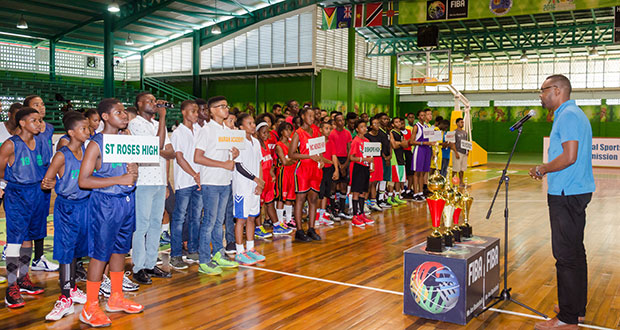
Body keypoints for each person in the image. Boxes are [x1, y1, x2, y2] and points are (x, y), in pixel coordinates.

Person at [530, 75, 595, 330]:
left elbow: (569, 157)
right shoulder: (574, 114)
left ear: (557, 91)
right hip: (575, 191)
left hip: (566, 193)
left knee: (566, 256)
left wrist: (543, 168)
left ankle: (567, 319)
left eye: (543, 90)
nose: (541, 95)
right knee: (576, 253)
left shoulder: (567, 116)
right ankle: (575, 308)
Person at [78, 98, 143, 327]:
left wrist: (134, 168)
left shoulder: (126, 140)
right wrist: (120, 178)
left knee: (120, 251)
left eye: (125, 112)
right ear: (105, 117)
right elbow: (83, 180)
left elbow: (130, 170)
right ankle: (90, 307)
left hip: (126, 201)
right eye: (118, 112)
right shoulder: (96, 144)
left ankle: (116, 298)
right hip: (105, 203)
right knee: (100, 255)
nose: (124, 116)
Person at [42, 112, 89, 320]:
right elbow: (47, 180)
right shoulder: (62, 155)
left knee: (79, 248)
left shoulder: (88, 151)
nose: (88, 131)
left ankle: (73, 289)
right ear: (71, 132)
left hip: (86, 205)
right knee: (67, 250)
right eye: (84, 128)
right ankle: (65, 298)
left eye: (88, 128)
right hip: (67, 207)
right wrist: (48, 184)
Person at [0, 108, 46, 308]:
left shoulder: (40, 142)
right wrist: (2, 185)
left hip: (37, 193)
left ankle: (23, 278)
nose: (38, 123)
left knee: (29, 238)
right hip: (17, 194)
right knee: (15, 240)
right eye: (34, 120)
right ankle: (11, 288)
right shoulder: (10, 145)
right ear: (22, 123)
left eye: (40, 120)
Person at [129, 93, 174, 285]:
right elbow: (156, 145)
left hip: (159, 180)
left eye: (155, 101)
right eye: (150, 101)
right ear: (139, 104)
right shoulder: (135, 124)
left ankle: (149, 263)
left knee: (156, 224)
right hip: (144, 181)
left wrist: (157, 149)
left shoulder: (157, 125)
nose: (154, 104)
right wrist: (163, 118)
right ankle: (137, 267)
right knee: (142, 226)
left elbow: (169, 152)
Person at [194, 96, 240, 275]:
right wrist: (222, 164)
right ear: (212, 111)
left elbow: (225, 156)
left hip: (224, 181)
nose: (226, 109)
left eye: (227, 106)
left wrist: (233, 154)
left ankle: (218, 254)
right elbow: (197, 157)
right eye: (221, 106)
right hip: (211, 182)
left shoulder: (225, 130)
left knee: (218, 222)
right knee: (209, 222)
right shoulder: (207, 130)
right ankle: (204, 260)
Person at [23, 95, 58, 272]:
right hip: (29, 179)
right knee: (26, 218)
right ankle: (21, 261)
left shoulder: (49, 128)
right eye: (36, 105)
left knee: (41, 217)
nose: (41, 107)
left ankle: (38, 257)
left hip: (45, 177)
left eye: (43, 104)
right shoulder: (23, 132)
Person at [169, 100, 202, 269]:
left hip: (199, 181)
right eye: (192, 111)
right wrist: (195, 174)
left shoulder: (200, 131)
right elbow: (180, 158)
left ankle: (193, 250)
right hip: (184, 182)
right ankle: (175, 255)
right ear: (183, 112)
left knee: (196, 218)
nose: (196, 114)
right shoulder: (178, 133)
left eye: (197, 111)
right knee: (179, 218)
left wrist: (200, 176)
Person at [231, 113, 266, 265]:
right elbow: (238, 166)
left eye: (253, 123)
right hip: (242, 186)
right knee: (241, 219)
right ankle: (240, 251)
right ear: (240, 127)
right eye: (249, 123)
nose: (253, 125)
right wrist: (255, 179)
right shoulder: (237, 140)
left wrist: (260, 182)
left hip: (254, 186)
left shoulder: (256, 142)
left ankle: (250, 248)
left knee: (252, 217)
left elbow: (259, 163)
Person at [289, 107, 322, 242]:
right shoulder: (298, 133)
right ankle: (299, 230)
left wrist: (321, 159)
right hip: (303, 168)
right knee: (300, 199)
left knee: (313, 199)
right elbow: (291, 154)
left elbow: (319, 149)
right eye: (309, 116)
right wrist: (309, 156)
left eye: (313, 116)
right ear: (302, 116)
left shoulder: (316, 130)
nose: (312, 118)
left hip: (315, 168)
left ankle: (311, 228)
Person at [256, 121, 292, 236]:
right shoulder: (256, 146)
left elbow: (270, 163)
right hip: (261, 179)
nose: (267, 135)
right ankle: (258, 227)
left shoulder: (266, 146)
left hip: (269, 179)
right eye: (264, 133)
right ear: (257, 133)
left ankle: (276, 225)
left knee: (270, 203)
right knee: (258, 205)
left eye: (268, 132)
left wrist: (272, 174)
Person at [348, 120, 374, 228]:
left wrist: (371, 164)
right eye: (361, 127)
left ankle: (361, 213)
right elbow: (351, 157)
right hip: (357, 167)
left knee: (363, 191)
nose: (364, 128)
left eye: (365, 126)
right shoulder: (356, 141)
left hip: (365, 168)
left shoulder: (367, 140)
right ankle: (354, 216)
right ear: (357, 129)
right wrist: (362, 159)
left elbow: (370, 156)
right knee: (356, 192)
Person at [329, 112, 353, 220]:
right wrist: (339, 166)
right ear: (335, 122)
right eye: (339, 120)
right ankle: (333, 210)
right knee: (333, 187)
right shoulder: (332, 134)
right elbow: (332, 151)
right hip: (335, 160)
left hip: (345, 160)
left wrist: (345, 164)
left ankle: (343, 210)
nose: (342, 122)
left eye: (343, 120)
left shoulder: (347, 133)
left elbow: (349, 150)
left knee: (344, 186)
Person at [274, 122, 297, 228]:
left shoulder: (292, 143)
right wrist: (293, 159)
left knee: (290, 197)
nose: (289, 132)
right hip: (283, 173)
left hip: (292, 172)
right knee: (281, 197)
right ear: (281, 131)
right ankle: (279, 221)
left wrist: (291, 159)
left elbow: (295, 158)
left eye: (290, 129)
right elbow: (284, 162)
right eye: (286, 129)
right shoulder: (279, 145)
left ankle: (288, 219)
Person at [317, 120, 338, 225]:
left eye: (330, 129)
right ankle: (315, 216)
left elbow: (334, 156)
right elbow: (319, 157)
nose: (328, 130)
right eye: (326, 128)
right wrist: (328, 161)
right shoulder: (317, 142)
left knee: (326, 192)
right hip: (320, 170)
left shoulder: (331, 141)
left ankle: (322, 215)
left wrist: (336, 169)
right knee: (319, 193)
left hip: (329, 169)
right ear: (320, 130)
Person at [409, 110, 431, 201]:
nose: (423, 117)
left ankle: (421, 192)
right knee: (416, 172)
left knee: (422, 172)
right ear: (418, 117)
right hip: (419, 149)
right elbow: (411, 141)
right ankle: (415, 193)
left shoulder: (426, 127)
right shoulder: (416, 127)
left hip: (426, 149)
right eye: (421, 115)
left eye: (424, 115)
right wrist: (423, 143)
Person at [364, 117, 386, 212]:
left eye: (378, 123)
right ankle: (364, 202)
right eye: (374, 123)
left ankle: (373, 202)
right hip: (370, 160)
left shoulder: (381, 135)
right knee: (369, 182)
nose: (377, 125)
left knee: (376, 181)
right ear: (371, 125)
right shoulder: (367, 136)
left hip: (379, 159)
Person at [389, 117, 407, 205]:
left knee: (399, 179)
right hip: (394, 158)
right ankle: (389, 197)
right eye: (396, 122)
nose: (398, 123)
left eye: (399, 122)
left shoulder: (401, 133)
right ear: (392, 124)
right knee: (393, 179)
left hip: (401, 157)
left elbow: (405, 144)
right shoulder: (391, 132)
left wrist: (400, 143)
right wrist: (401, 143)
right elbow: (394, 145)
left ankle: (397, 195)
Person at [452, 118, 468, 185]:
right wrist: (456, 152)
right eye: (461, 122)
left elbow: (467, 142)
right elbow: (453, 143)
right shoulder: (454, 132)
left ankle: (461, 182)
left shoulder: (465, 132)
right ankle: (453, 183)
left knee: (462, 169)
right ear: (457, 123)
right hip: (457, 151)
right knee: (456, 169)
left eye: (463, 122)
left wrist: (467, 151)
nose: (462, 123)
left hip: (464, 152)